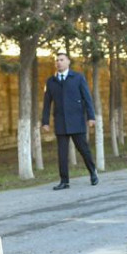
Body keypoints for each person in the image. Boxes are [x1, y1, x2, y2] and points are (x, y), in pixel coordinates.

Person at [40, 51, 98, 190]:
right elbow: (47, 103)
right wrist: (45, 121)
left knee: (84, 149)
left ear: (68, 62)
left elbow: (87, 98)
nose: (58, 62)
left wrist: (91, 117)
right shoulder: (51, 81)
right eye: (57, 60)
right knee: (62, 153)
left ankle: (93, 172)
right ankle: (64, 181)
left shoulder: (77, 78)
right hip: (61, 121)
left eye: (61, 60)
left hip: (76, 120)